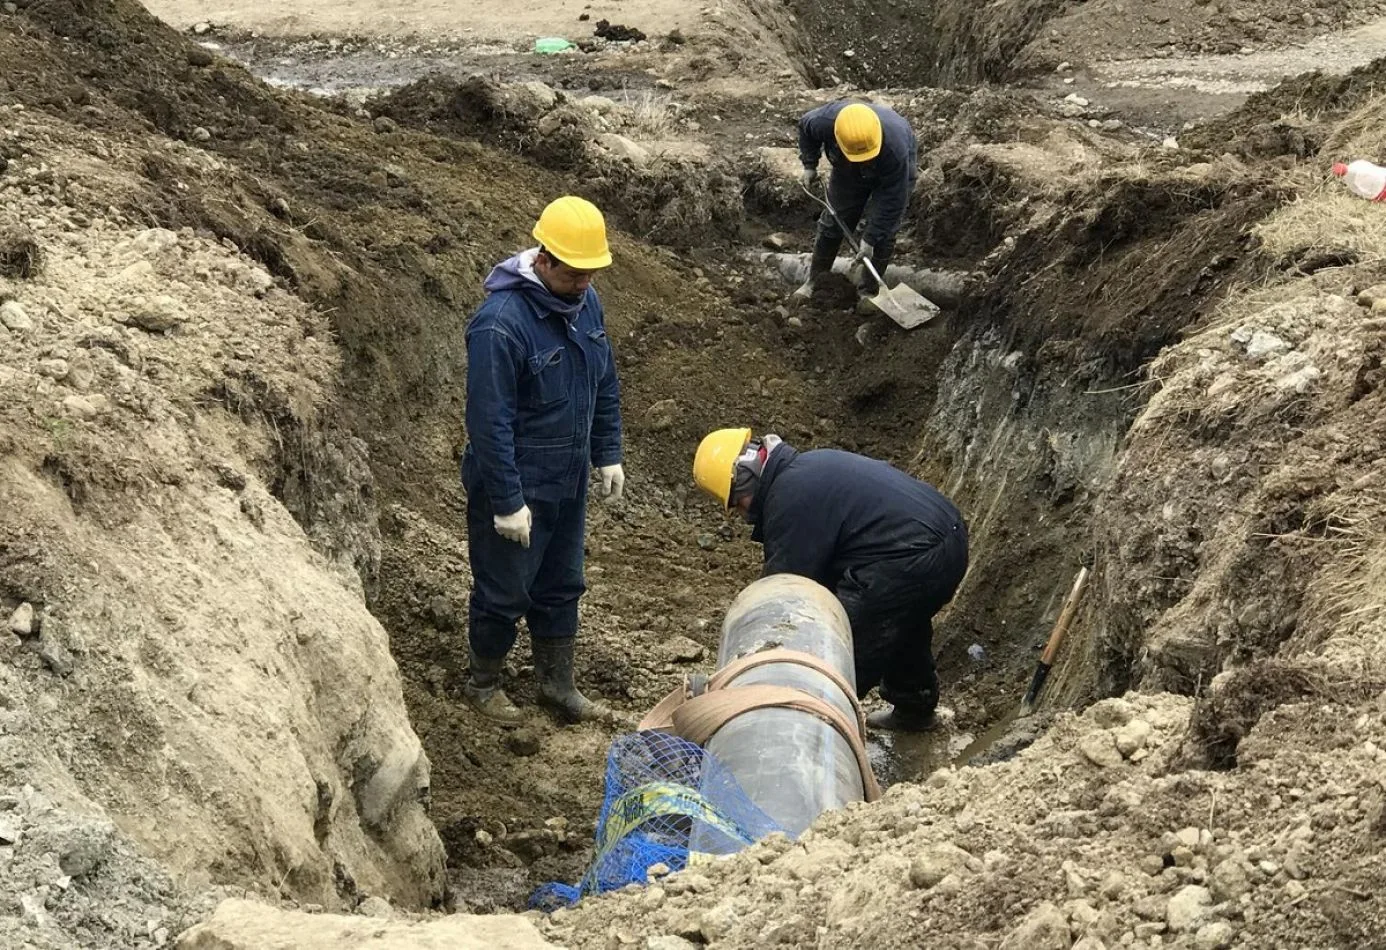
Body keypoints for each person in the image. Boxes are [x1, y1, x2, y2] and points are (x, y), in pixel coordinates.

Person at [460, 196, 625, 726]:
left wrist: (607, 452)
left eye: (592, 274)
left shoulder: (584, 303)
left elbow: (604, 381)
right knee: (506, 588)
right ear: (545, 259)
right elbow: (489, 423)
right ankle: (482, 685)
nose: (585, 284)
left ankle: (557, 685)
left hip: (568, 477)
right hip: (518, 480)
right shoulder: (500, 326)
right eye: (576, 274)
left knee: (561, 583)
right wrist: (507, 502)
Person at [692, 428, 968, 731]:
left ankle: (815, 728)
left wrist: (761, 657)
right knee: (898, 617)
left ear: (745, 480)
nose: (741, 514)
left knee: (846, 640)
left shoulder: (789, 498)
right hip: (948, 538)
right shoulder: (808, 469)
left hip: (913, 554)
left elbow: (787, 590)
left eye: (736, 503)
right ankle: (914, 703)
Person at [792, 100, 918, 304]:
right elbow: (805, 130)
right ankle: (814, 281)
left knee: (883, 235)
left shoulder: (896, 150)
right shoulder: (823, 121)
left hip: (888, 164)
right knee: (833, 221)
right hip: (846, 167)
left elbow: (893, 200)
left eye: (866, 158)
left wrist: (870, 239)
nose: (864, 162)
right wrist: (809, 164)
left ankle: (868, 291)